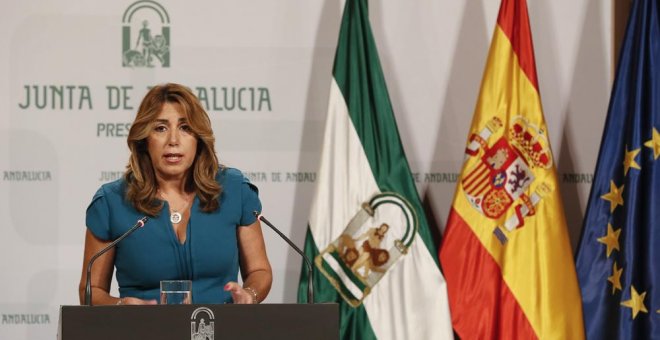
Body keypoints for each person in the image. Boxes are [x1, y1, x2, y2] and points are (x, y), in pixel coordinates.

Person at [78, 83, 272, 305]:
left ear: (198, 139)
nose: (173, 140)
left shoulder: (233, 190)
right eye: (160, 128)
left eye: (185, 128)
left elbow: (259, 270)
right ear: (144, 140)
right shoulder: (112, 203)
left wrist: (251, 294)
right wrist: (121, 307)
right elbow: (90, 290)